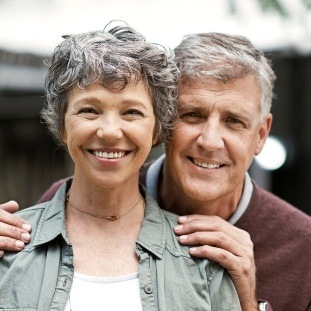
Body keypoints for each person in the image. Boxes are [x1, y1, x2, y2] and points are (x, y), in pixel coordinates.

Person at [1, 31, 311, 311]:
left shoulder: (303, 250)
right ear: (164, 123)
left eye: (233, 121)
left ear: (260, 135)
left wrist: (247, 301)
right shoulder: (71, 200)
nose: (210, 141)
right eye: (192, 115)